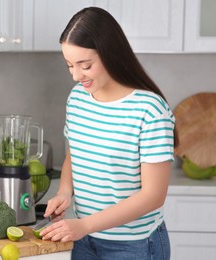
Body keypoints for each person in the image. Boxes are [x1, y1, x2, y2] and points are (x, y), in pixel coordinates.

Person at [40, 7, 177, 260]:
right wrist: (64, 192)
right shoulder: (78, 98)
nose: (76, 75)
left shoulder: (149, 109)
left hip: (133, 245)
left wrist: (85, 225)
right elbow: (74, 155)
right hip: (84, 239)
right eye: (70, 65)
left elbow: (153, 196)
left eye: (85, 65)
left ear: (110, 54)